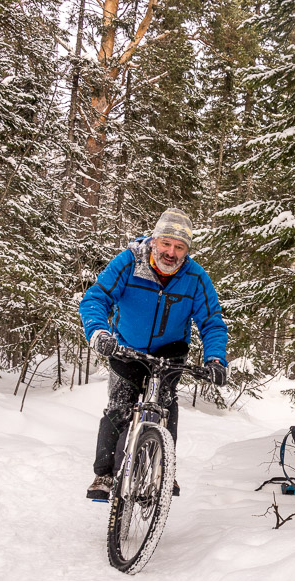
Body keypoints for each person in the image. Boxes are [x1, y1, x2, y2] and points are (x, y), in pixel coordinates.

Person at [79, 208, 228, 500]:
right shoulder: (128, 262)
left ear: (187, 250)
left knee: (165, 406)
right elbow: (96, 298)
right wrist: (99, 333)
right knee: (119, 406)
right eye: (166, 244)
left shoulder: (195, 278)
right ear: (154, 241)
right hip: (126, 347)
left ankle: (163, 469)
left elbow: (211, 321)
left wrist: (215, 359)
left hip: (170, 353)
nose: (171, 252)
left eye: (180, 247)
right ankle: (104, 475)